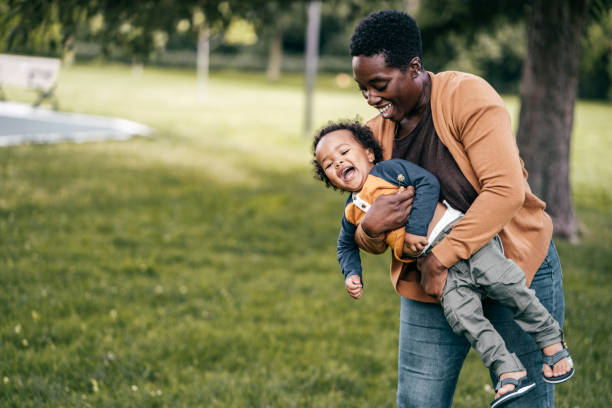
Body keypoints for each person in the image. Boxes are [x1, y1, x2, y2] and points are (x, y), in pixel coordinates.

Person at [343, 9, 573, 407]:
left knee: (526, 404)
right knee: (418, 401)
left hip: (515, 264)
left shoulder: (467, 96)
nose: (371, 98)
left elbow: (505, 190)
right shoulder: (376, 136)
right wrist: (369, 231)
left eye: (379, 84)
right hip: (435, 288)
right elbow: (372, 229)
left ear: (414, 67)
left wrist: (441, 258)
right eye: (363, 88)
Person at [312, 120, 574, 407]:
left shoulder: (388, 171)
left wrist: (414, 228)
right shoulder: (351, 212)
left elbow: (427, 183)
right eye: (328, 164)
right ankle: (507, 368)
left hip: (461, 241)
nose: (338, 162)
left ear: (369, 154)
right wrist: (352, 273)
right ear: (328, 179)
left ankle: (552, 342)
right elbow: (346, 244)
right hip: (435, 268)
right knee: (463, 317)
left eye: (344, 152)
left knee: (506, 284)